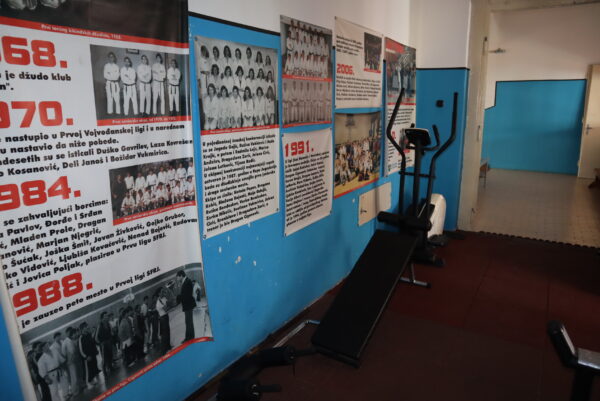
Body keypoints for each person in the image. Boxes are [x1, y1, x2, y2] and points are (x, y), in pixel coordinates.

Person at [78, 322, 99, 389]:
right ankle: (88, 383)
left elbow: (93, 344)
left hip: (92, 355)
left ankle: (92, 380)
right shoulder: (81, 338)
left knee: (92, 368)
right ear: (82, 329)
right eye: (85, 327)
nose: (87, 328)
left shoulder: (89, 334)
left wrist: (95, 351)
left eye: (87, 326)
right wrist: (86, 357)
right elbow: (80, 349)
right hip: (87, 358)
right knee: (87, 371)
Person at [177, 270, 196, 343]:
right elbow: (185, 294)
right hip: (187, 305)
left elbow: (187, 295)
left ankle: (189, 338)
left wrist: (178, 297)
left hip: (188, 305)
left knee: (189, 322)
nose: (177, 279)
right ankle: (190, 337)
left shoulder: (187, 282)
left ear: (181, 276)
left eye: (178, 277)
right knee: (188, 322)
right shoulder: (185, 281)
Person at [95, 312, 113, 376]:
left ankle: (110, 367)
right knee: (104, 358)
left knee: (110, 355)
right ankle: (104, 372)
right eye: (105, 316)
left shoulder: (108, 324)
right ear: (102, 318)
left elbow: (111, 332)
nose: (107, 317)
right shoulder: (100, 325)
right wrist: (101, 343)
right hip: (103, 344)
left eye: (107, 316)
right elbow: (96, 338)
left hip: (109, 342)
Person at [156, 288, 171, 355]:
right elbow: (166, 309)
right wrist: (169, 306)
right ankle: (164, 350)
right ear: (159, 293)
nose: (163, 292)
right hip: (163, 318)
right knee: (165, 334)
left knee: (168, 331)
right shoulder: (158, 302)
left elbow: (169, 303)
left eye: (163, 291)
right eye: (161, 292)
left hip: (166, 316)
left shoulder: (164, 298)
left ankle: (168, 347)